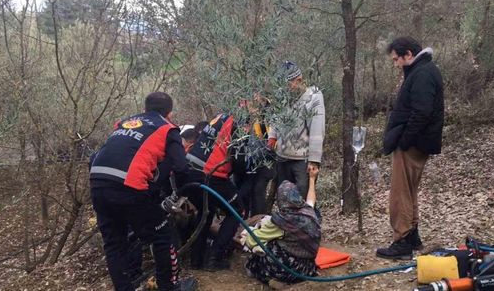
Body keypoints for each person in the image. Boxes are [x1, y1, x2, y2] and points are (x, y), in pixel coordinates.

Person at [89, 92, 197, 291]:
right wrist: (181, 194)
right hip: (129, 187)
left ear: (145, 109)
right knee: (162, 235)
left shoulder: (125, 123)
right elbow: (181, 167)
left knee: (114, 243)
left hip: (97, 182)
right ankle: (170, 286)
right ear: (169, 113)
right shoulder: (167, 128)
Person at [376, 36, 444, 260]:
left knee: (400, 192)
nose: (396, 64)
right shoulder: (423, 71)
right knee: (409, 190)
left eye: (397, 59)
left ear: (408, 55)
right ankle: (412, 236)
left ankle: (402, 241)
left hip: (413, 144)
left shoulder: (423, 73)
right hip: (418, 142)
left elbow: (422, 113)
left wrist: (404, 141)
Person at [184, 113, 247, 271]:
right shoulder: (241, 119)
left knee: (206, 211)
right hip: (211, 174)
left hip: (189, 170)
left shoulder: (223, 115)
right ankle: (215, 258)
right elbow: (239, 158)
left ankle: (196, 260)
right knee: (237, 210)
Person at [242, 164, 321, 286]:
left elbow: (253, 240)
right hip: (308, 269)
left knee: (265, 249)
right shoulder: (308, 211)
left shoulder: (283, 221)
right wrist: (311, 179)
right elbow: (311, 200)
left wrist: (247, 234)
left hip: (289, 271)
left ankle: (272, 279)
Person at [268, 61, 325, 199]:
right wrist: (272, 137)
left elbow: (317, 130)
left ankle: (309, 220)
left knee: (302, 200)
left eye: (287, 85)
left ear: (298, 80)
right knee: (284, 199)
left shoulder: (314, 97)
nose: (284, 89)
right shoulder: (282, 96)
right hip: (282, 158)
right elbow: (275, 118)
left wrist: (314, 160)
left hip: (302, 161)